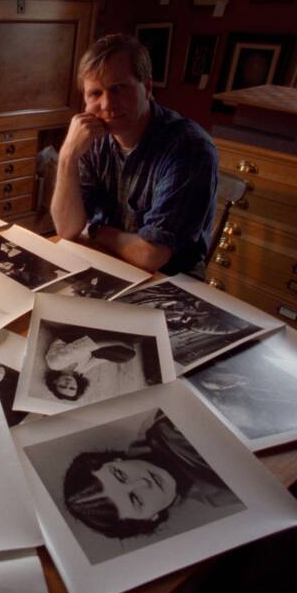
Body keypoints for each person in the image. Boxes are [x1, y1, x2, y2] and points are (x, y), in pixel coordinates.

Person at [50, 33, 218, 276]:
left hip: (169, 283)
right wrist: (67, 156)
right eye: (95, 93)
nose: (107, 104)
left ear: (147, 87)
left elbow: (151, 255)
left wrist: (96, 230)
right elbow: (67, 228)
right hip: (107, 262)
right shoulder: (92, 138)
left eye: (118, 89)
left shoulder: (189, 149)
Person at [63, 411, 239, 539]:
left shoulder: (154, 426)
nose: (142, 482)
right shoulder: (223, 494)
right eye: (135, 499)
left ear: (116, 461)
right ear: (150, 519)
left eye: (120, 475)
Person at [43, 328, 137, 401]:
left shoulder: (55, 364)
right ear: (77, 386)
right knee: (128, 353)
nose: (68, 384)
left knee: (125, 347)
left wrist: (119, 342)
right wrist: (123, 353)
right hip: (87, 340)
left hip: (71, 337)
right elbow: (100, 359)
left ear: (55, 382)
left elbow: (82, 346)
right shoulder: (80, 371)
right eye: (72, 388)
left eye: (62, 386)